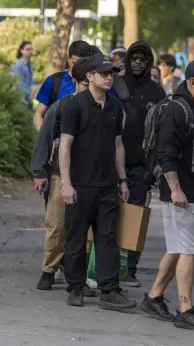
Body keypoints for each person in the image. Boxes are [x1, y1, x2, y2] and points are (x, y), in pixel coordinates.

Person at [140, 59, 194, 332]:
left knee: (180, 248)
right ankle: (185, 308)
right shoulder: (176, 110)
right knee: (190, 250)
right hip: (183, 194)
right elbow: (167, 154)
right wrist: (176, 189)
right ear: (192, 82)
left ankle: (153, 296)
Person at [58, 54, 135, 311]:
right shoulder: (74, 105)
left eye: (111, 73)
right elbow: (65, 146)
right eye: (104, 73)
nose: (109, 77)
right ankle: (76, 287)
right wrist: (66, 183)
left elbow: (118, 144)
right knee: (76, 238)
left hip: (107, 186)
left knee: (107, 237)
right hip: (79, 185)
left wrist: (122, 179)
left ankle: (110, 289)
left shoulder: (115, 108)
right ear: (89, 77)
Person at [31, 58, 95, 298]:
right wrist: (40, 171)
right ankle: (48, 270)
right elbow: (45, 138)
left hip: (90, 179)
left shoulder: (103, 107)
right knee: (56, 225)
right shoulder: (60, 107)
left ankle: (75, 275)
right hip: (59, 175)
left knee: (83, 232)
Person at [113, 41, 166, 287]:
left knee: (134, 217)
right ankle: (103, 267)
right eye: (133, 58)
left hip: (141, 166)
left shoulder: (157, 93)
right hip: (110, 162)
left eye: (143, 59)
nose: (137, 63)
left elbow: (162, 132)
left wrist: (154, 169)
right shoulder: (114, 84)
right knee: (105, 215)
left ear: (149, 62)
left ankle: (129, 269)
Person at [34, 40, 95, 132]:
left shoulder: (97, 82)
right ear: (69, 60)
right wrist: (47, 139)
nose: (79, 66)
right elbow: (38, 115)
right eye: (75, 63)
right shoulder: (53, 81)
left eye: (83, 63)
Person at [11, 41, 34, 107]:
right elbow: (18, 85)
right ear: (21, 51)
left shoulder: (29, 65)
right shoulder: (18, 65)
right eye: (27, 49)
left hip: (29, 101)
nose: (30, 51)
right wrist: (24, 103)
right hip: (22, 102)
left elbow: (31, 83)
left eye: (31, 49)